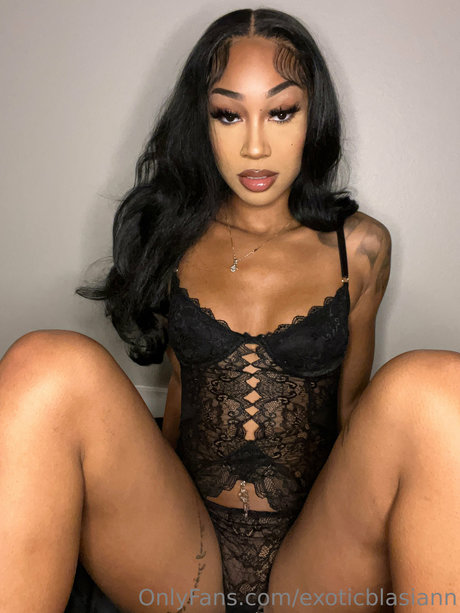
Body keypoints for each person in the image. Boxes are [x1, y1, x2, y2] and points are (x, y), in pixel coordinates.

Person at [0, 7, 459, 613]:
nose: (255, 145)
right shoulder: (174, 237)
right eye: (228, 114)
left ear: (313, 117)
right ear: (203, 120)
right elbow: (181, 398)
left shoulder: (361, 248)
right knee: (42, 362)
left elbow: (352, 414)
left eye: (281, 112)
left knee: (439, 385)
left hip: (311, 565)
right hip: (187, 558)